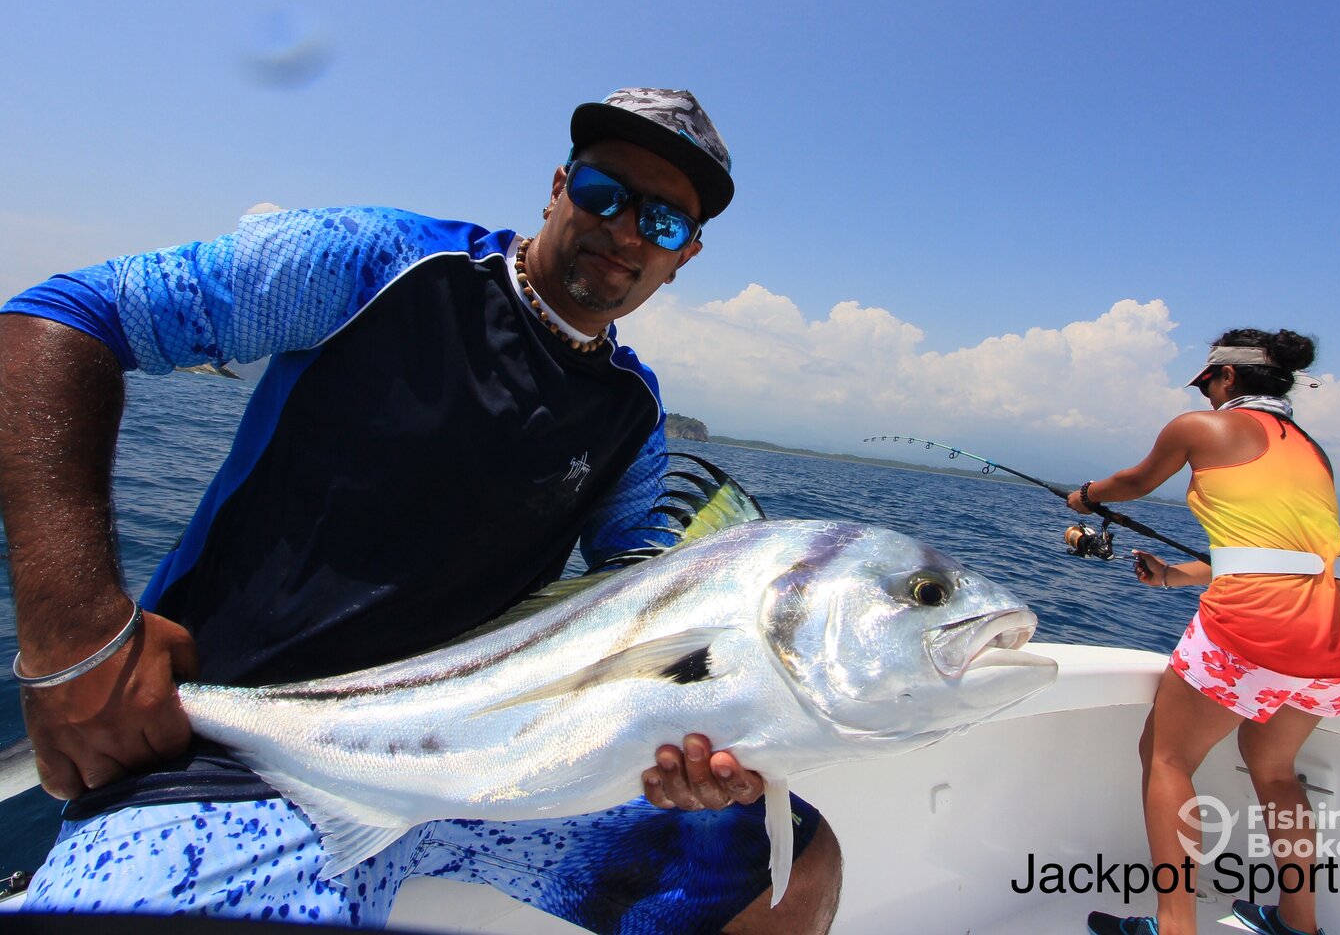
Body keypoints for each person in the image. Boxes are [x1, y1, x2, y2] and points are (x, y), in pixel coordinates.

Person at [0, 87, 841, 934]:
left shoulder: (633, 415)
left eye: (661, 222)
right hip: (240, 749)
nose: (625, 232)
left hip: (485, 763)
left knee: (790, 869)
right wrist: (74, 635)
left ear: (684, 255)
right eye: (603, 192)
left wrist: (713, 742)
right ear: (558, 187)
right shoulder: (382, 264)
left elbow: (654, 604)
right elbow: (62, 318)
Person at [1066, 329, 1340, 935]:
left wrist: (1086, 497)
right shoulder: (1311, 451)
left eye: (1206, 382)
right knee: (1275, 769)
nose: (1203, 394)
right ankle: (1298, 924)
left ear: (1227, 377)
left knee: (1167, 758)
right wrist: (1173, 576)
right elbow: (1281, 554)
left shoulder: (1199, 428)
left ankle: (1175, 925)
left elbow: (1134, 483)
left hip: (1258, 625)